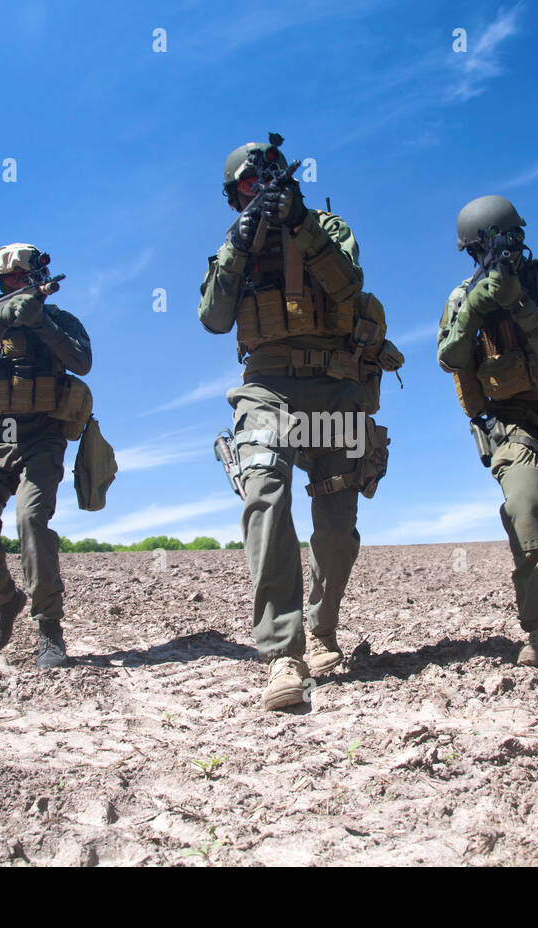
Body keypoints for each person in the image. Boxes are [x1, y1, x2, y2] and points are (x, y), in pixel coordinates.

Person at [199, 138, 401, 710]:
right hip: (267, 386)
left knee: (337, 528)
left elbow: (347, 285)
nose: (258, 189)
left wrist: (300, 224)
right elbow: (214, 317)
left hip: (336, 386)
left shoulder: (329, 227)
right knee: (264, 491)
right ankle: (283, 654)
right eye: (246, 185)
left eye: (266, 178)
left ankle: (323, 626)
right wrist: (241, 244)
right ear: (234, 197)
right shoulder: (230, 245)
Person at [437, 196, 538, 667]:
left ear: (520, 239)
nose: (497, 255)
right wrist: (474, 309)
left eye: (506, 243)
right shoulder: (460, 297)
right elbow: (450, 358)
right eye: (484, 249)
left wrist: (519, 303)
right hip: (511, 423)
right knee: (528, 508)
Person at [0, 243, 92, 668]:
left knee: (31, 521)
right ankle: (6, 600)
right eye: (10, 281)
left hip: (44, 435)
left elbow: (82, 362)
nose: (19, 286)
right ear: (0, 285)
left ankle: (49, 628)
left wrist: (41, 327)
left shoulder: (58, 320)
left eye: (25, 278)